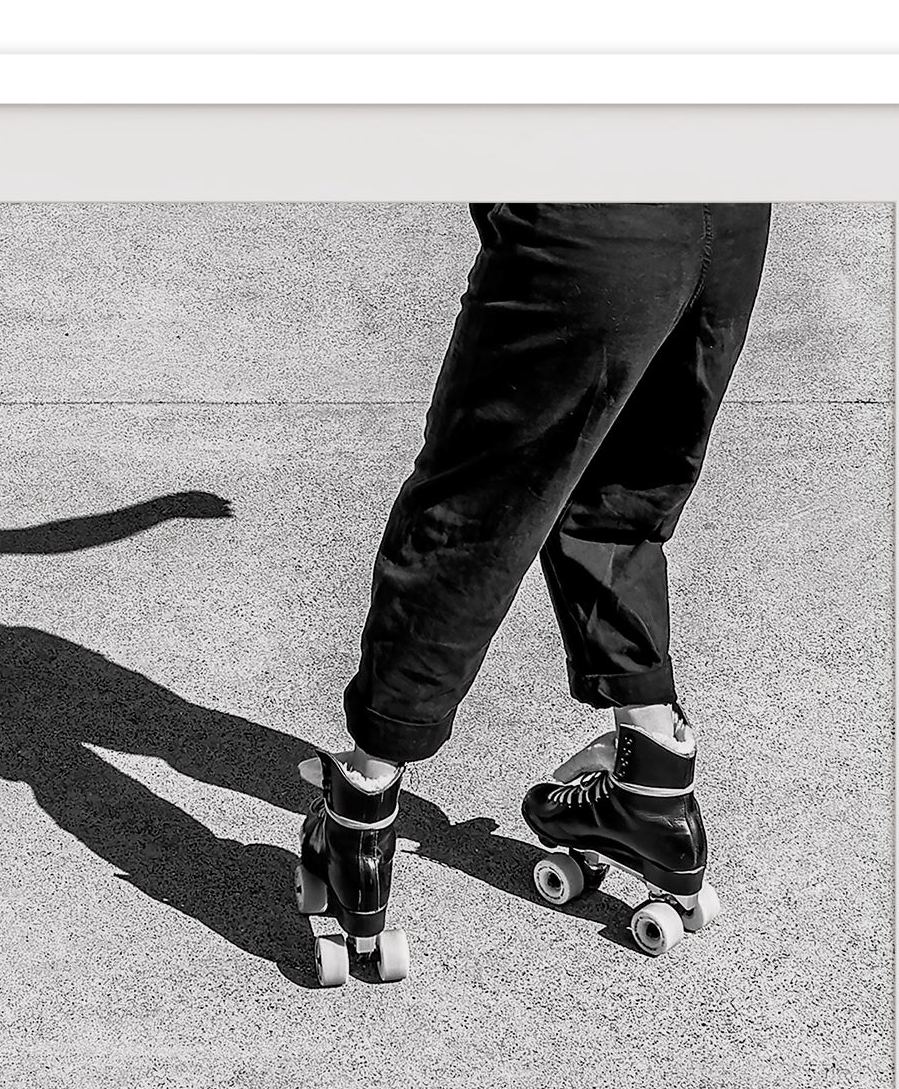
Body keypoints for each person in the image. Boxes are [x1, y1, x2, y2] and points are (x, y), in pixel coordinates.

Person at [296, 202, 774, 975]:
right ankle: (651, 788)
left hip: (591, 211)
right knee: (621, 502)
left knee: (471, 517)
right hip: (731, 211)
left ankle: (357, 815)